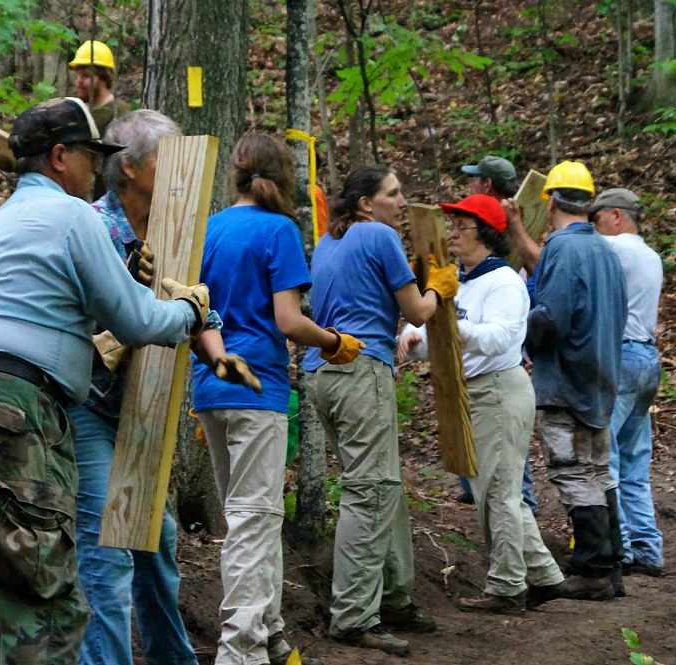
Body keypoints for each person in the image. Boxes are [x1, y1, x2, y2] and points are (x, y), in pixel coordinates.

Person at [0, 97, 212, 665]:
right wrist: (189, 312)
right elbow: (140, 322)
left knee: (2, 593)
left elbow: (44, 310)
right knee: (44, 598)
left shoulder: (0, 222)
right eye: (90, 156)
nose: (100, 169)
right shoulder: (76, 217)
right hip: (23, 410)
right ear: (60, 157)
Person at [72, 109, 260, 665]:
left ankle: (170, 658)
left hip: (147, 408)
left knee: (156, 544)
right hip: (91, 406)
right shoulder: (93, 227)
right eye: (166, 159)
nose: (180, 172)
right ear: (128, 168)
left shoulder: (175, 230)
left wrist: (220, 359)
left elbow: (197, 307)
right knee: (108, 551)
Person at [193, 132, 363, 665]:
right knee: (252, 516)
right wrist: (335, 343)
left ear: (236, 176)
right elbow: (289, 321)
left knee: (253, 516)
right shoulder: (279, 230)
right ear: (283, 177)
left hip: (211, 387)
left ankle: (270, 634)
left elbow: (194, 311)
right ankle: (239, 651)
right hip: (257, 388)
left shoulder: (210, 228)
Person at [303, 165, 455, 655]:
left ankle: (392, 596)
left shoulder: (328, 242)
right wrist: (438, 287)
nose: (403, 201)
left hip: (322, 373)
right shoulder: (379, 235)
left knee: (381, 486)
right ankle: (352, 615)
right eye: (393, 193)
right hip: (359, 370)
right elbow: (417, 312)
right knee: (370, 492)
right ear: (367, 203)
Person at [398, 194, 565, 615]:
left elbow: (504, 337)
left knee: (498, 493)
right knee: (493, 487)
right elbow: (443, 340)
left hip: (500, 390)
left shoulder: (504, 280)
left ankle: (508, 586)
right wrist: (414, 340)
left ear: (486, 234)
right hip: (469, 389)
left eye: (461, 226)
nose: (451, 233)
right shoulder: (458, 278)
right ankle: (544, 576)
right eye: (451, 224)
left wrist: (456, 327)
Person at [523, 161, 629, 607]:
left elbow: (550, 317)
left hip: (566, 377)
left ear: (550, 201)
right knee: (600, 471)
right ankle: (612, 563)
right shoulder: (606, 248)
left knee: (572, 471)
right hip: (602, 376)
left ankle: (591, 570)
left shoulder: (563, 248)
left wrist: (519, 331)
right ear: (589, 202)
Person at [590, 188, 664, 577]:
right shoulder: (649, 254)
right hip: (648, 358)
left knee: (608, 457)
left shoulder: (617, 248)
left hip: (623, 356)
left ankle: (620, 550)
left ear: (616, 216)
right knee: (635, 459)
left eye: (596, 218)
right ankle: (647, 547)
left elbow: (574, 253)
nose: (593, 226)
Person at [458, 155, 538, 513]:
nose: (471, 183)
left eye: (476, 179)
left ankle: (522, 505)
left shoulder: (496, 230)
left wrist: (453, 330)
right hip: (476, 363)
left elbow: (499, 331)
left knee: (505, 471)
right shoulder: (503, 229)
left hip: (499, 364)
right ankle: (491, 497)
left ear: (487, 184)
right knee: (491, 465)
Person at [69, 39, 130, 137]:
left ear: (104, 78)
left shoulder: (120, 112)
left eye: (86, 75)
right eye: (78, 75)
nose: (78, 81)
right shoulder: (74, 109)